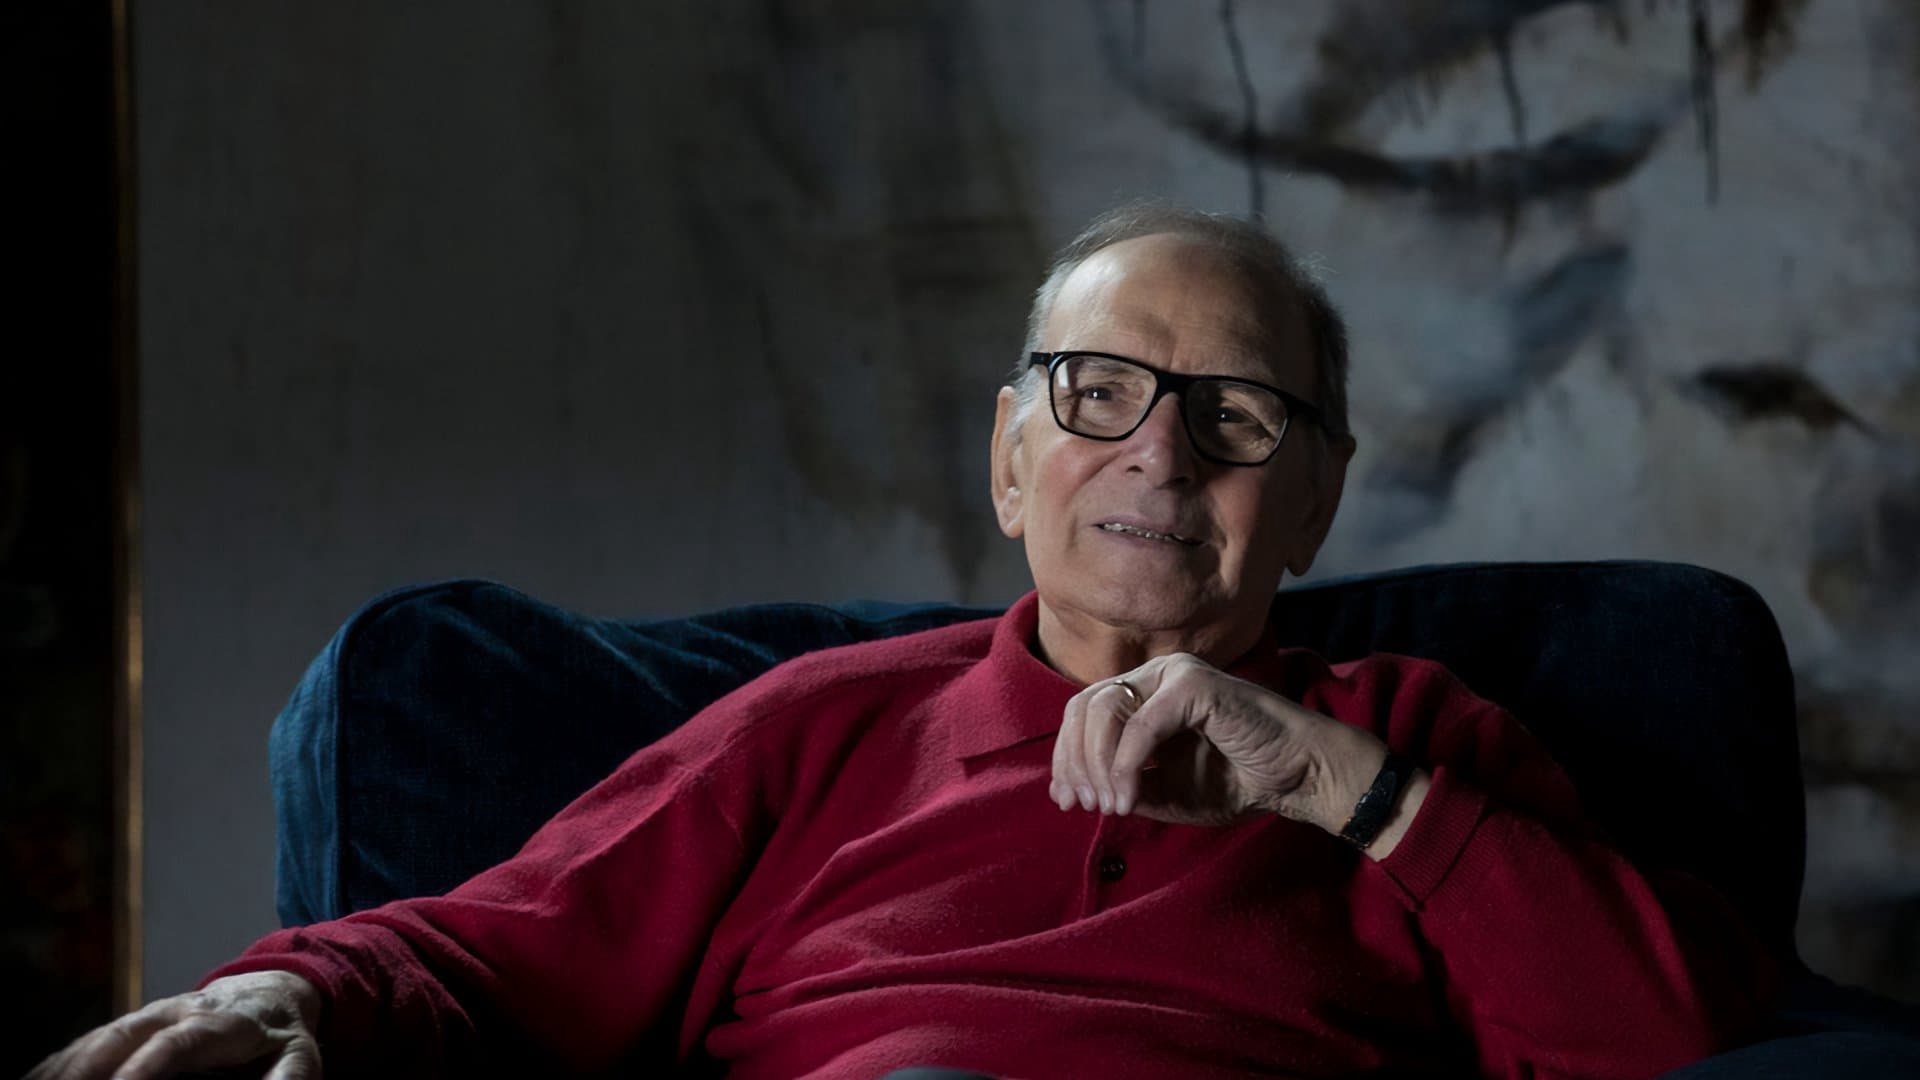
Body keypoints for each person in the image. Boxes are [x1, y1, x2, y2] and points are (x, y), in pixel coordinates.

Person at [33, 205, 1781, 1079]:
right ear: (1012, 460)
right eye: (1098, 395)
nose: (1159, 455)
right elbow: (503, 946)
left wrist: (1351, 791)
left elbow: (1679, 1042)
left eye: (1235, 415)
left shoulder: (1409, 744)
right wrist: (300, 989)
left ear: (1317, 502)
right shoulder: (821, 726)